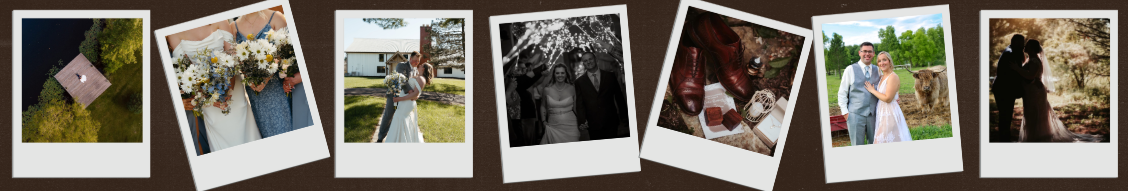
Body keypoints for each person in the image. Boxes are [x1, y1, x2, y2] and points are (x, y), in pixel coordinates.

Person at [168, 21, 261, 154]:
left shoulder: (220, 21)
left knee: (245, 130)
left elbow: (232, 56)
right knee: (221, 136)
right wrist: (210, 97)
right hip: (207, 98)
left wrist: (228, 89)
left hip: (234, 89)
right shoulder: (174, 33)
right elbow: (187, 71)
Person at [1014, 40, 1101, 142]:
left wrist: (1016, 69)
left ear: (1032, 48)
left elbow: (1030, 75)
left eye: (1027, 45)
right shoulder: (1031, 59)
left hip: (1035, 92)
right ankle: (1034, 138)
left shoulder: (1034, 61)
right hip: (1031, 91)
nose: (1024, 46)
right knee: (1031, 114)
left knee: (1035, 114)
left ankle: (1037, 138)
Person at [234, 9, 294, 138]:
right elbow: (235, 59)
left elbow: (287, 52)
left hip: (278, 88)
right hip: (255, 92)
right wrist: (252, 81)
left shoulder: (276, 17)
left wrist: (265, 78)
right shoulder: (233, 27)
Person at [574, 52, 629, 140]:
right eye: (585, 61)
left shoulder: (610, 76)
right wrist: (582, 120)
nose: (588, 62)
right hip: (593, 123)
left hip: (611, 120)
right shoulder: (579, 82)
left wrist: (625, 117)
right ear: (583, 63)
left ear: (596, 60)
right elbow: (580, 103)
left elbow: (619, 97)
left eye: (590, 59)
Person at [837, 42, 880, 145]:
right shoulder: (850, 69)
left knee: (875, 144)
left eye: (870, 51)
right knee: (857, 146)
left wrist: (895, 96)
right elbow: (842, 92)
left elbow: (887, 84)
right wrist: (846, 113)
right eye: (864, 51)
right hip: (855, 115)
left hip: (874, 115)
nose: (867, 54)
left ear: (873, 54)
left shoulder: (878, 70)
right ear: (859, 53)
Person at [863, 52, 912, 143]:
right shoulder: (882, 77)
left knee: (879, 140)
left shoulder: (893, 77)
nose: (882, 63)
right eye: (879, 61)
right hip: (882, 112)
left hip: (890, 113)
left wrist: (872, 90)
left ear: (889, 61)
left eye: (884, 60)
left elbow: (888, 99)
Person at [384, 54, 433, 143]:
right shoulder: (418, 76)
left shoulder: (421, 79)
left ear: (423, 69)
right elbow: (413, 90)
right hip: (405, 102)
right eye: (417, 61)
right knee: (400, 119)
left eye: (421, 65)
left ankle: (399, 140)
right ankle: (400, 139)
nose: (419, 64)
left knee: (399, 118)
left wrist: (398, 99)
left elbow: (414, 94)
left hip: (406, 103)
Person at [990, 34, 1026, 142]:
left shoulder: (1010, 51)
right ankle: (1004, 140)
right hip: (1004, 90)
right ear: (1017, 42)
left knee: (1005, 115)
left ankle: (1005, 138)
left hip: (1004, 89)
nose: (1023, 45)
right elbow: (1013, 75)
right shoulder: (1011, 54)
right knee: (1005, 115)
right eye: (1022, 42)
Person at [376, 53, 416, 143]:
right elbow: (402, 79)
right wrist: (409, 91)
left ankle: (396, 137)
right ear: (410, 58)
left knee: (400, 116)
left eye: (418, 61)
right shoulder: (402, 65)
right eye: (415, 60)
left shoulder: (414, 69)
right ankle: (380, 138)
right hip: (394, 95)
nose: (417, 62)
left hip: (404, 98)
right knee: (388, 116)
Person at [537, 64, 581, 144]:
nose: (560, 75)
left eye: (562, 73)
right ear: (554, 74)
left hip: (572, 126)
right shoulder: (547, 89)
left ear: (566, 74)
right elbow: (543, 106)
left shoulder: (572, 88)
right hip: (553, 126)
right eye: (557, 73)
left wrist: (582, 120)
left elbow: (576, 108)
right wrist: (543, 121)